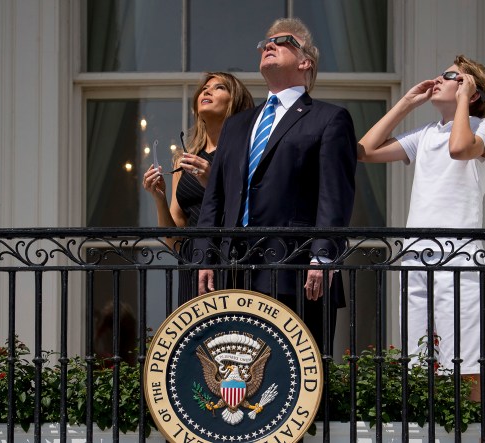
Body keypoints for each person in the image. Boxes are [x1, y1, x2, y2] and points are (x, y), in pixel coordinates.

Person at [196, 18, 357, 352]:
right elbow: (216, 198)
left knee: (300, 382)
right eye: (265, 42)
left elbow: (334, 194)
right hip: (234, 272)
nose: (268, 44)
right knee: (236, 374)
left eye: (283, 40)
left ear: (305, 61)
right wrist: (205, 257)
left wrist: (323, 257)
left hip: (296, 273)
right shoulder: (237, 125)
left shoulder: (328, 118)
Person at [357, 54, 485, 401]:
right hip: (416, 255)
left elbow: (459, 148)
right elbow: (365, 150)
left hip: (459, 256)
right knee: (419, 362)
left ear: (472, 90)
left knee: (464, 362)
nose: (438, 78)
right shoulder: (425, 134)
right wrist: (406, 103)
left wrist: (465, 100)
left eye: (451, 76)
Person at [142, 72, 254, 304]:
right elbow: (175, 241)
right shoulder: (183, 161)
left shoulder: (247, 153)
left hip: (232, 264)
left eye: (219, 87)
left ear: (236, 102)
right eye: (204, 88)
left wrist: (213, 181)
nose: (207, 91)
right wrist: (159, 198)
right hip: (192, 266)